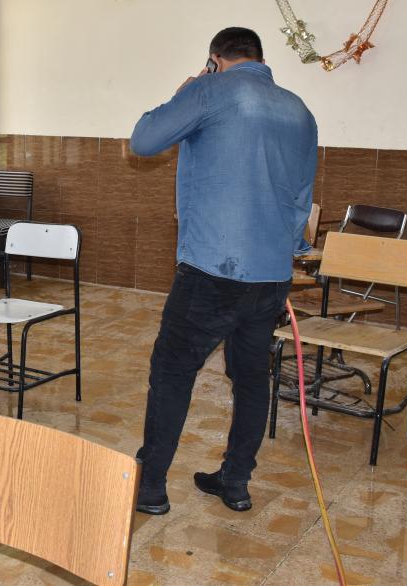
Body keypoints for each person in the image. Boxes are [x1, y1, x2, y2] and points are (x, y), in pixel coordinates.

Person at [129, 27, 317, 515]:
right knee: (251, 378)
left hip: (212, 271)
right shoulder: (299, 110)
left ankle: (150, 487)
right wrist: (285, 250)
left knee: (173, 371)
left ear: (215, 59)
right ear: (259, 58)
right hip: (271, 275)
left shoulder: (209, 91)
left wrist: (186, 91)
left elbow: (144, 140)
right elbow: (302, 196)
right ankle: (235, 482)